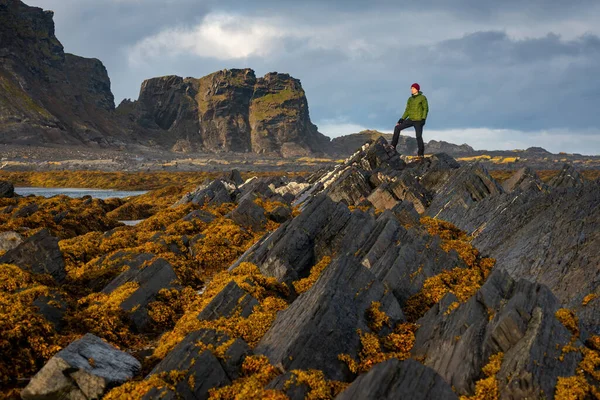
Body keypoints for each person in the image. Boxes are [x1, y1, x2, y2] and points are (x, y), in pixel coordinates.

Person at [390, 83, 429, 159]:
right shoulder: (410, 99)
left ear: (417, 89)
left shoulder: (422, 98)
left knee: (418, 136)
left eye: (413, 88)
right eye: (411, 88)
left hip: (419, 120)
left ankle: (420, 154)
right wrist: (401, 119)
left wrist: (423, 119)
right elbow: (407, 110)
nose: (411, 89)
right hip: (411, 119)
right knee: (397, 128)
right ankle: (393, 146)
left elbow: (426, 109)